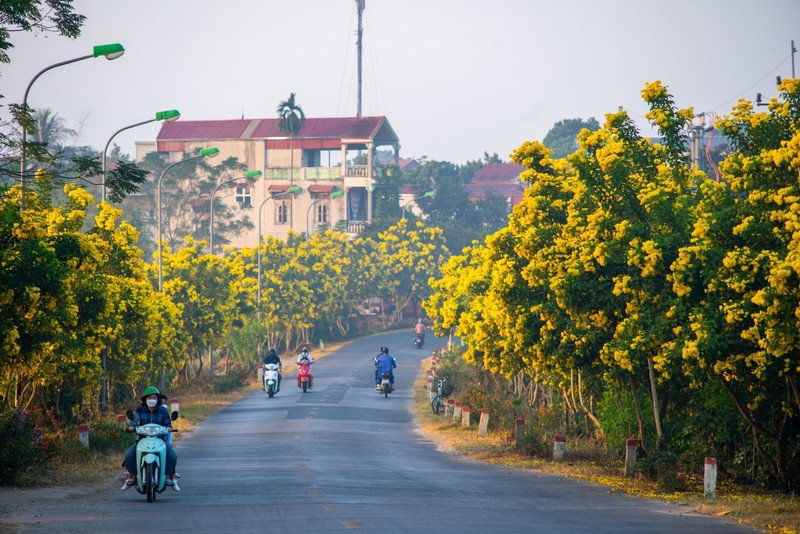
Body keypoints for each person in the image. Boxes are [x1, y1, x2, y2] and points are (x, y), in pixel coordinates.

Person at [121, 387, 180, 491]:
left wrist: (169, 427)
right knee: (129, 455)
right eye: (149, 397)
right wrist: (131, 427)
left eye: (154, 397)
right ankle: (133, 476)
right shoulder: (139, 410)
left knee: (172, 456)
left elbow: (167, 423)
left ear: (157, 399)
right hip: (142, 440)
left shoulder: (163, 410)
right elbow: (134, 421)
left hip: (160, 440)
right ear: (145, 399)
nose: (152, 400)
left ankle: (167, 476)